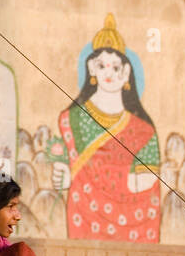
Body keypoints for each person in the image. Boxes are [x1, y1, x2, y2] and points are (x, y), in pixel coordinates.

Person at [52, 14, 161, 243]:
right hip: (83, 214)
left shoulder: (143, 130)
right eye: (102, 66)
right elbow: (62, 158)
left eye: (115, 67)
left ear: (125, 73)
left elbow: (148, 182)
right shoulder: (70, 119)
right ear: (92, 69)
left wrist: (131, 182)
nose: (108, 73)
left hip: (131, 218)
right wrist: (61, 174)